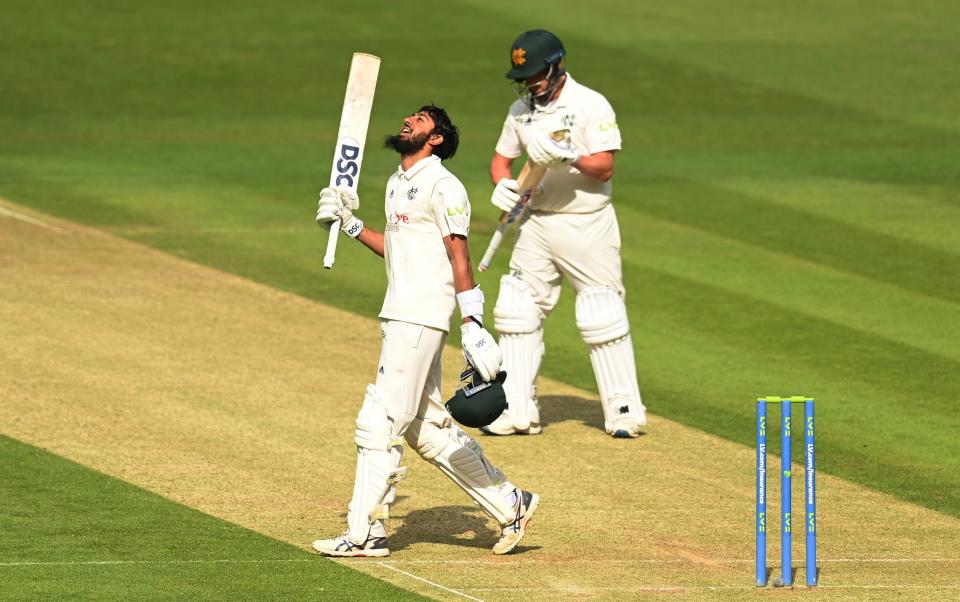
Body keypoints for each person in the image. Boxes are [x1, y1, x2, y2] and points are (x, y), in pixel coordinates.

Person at [311, 105, 539, 557]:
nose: (408, 121)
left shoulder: (444, 186)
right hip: (401, 312)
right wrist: (351, 225)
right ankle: (510, 502)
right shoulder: (399, 182)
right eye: (409, 117)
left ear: (436, 138)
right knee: (423, 427)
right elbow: (397, 249)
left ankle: (363, 534)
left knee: (378, 422)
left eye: (420, 120)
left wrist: (473, 323)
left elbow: (460, 257)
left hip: (422, 316)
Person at [483, 29, 647, 438]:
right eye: (523, 78)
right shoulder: (520, 109)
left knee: (601, 313)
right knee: (515, 308)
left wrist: (570, 157)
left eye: (535, 75)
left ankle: (624, 410)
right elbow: (501, 160)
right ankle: (517, 410)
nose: (529, 84)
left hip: (586, 222)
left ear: (556, 67)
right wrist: (502, 184)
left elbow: (605, 166)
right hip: (537, 222)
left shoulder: (590, 104)